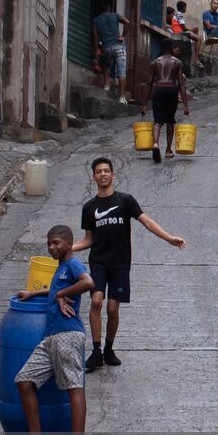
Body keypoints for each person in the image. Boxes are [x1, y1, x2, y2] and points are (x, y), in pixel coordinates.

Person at [75, 158, 188, 371]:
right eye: (98, 171)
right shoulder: (89, 207)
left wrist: (169, 238)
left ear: (112, 175)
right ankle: (96, 351)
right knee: (97, 301)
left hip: (120, 263)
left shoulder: (125, 201)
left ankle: (109, 348)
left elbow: (146, 221)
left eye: (106, 171)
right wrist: (67, 249)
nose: (103, 174)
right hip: (98, 262)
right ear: (94, 177)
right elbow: (88, 240)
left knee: (112, 308)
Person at [8, 225, 95, 435]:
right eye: (49, 243)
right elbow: (56, 290)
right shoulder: (60, 269)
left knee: (74, 387)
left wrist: (60, 294)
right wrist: (34, 294)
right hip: (51, 337)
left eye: (56, 243)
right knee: (24, 381)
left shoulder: (73, 265)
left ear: (69, 244)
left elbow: (88, 282)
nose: (51, 247)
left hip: (68, 335)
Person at [143, 46, 190, 163]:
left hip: (158, 89)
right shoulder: (177, 62)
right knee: (170, 121)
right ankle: (168, 151)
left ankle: (155, 144)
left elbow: (149, 83)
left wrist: (144, 104)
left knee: (158, 121)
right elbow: (181, 84)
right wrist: (185, 104)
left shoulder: (155, 62)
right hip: (171, 90)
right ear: (172, 48)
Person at [91, 4, 130, 104]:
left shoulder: (96, 20)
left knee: (106, 65)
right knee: (121, 72)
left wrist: (97, 50)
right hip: (118, 46)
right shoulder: (115, 16)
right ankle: (121, 97)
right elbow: (127, 22)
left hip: (106, 47)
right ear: (109, 9)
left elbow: (95, 38)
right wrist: (123, 36)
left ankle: (107, 86)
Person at [170, 1, 207, 70]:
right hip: (180, 32)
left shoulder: (177, 14)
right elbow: (183, 27)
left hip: (180, 31)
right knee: (199, 39)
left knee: (196, 29)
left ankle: (193, 42)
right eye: (185, 7)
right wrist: (189, 30)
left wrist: (190, 30)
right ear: (183, 7)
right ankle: (196, 59)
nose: (186, 9)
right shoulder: (179, 14)